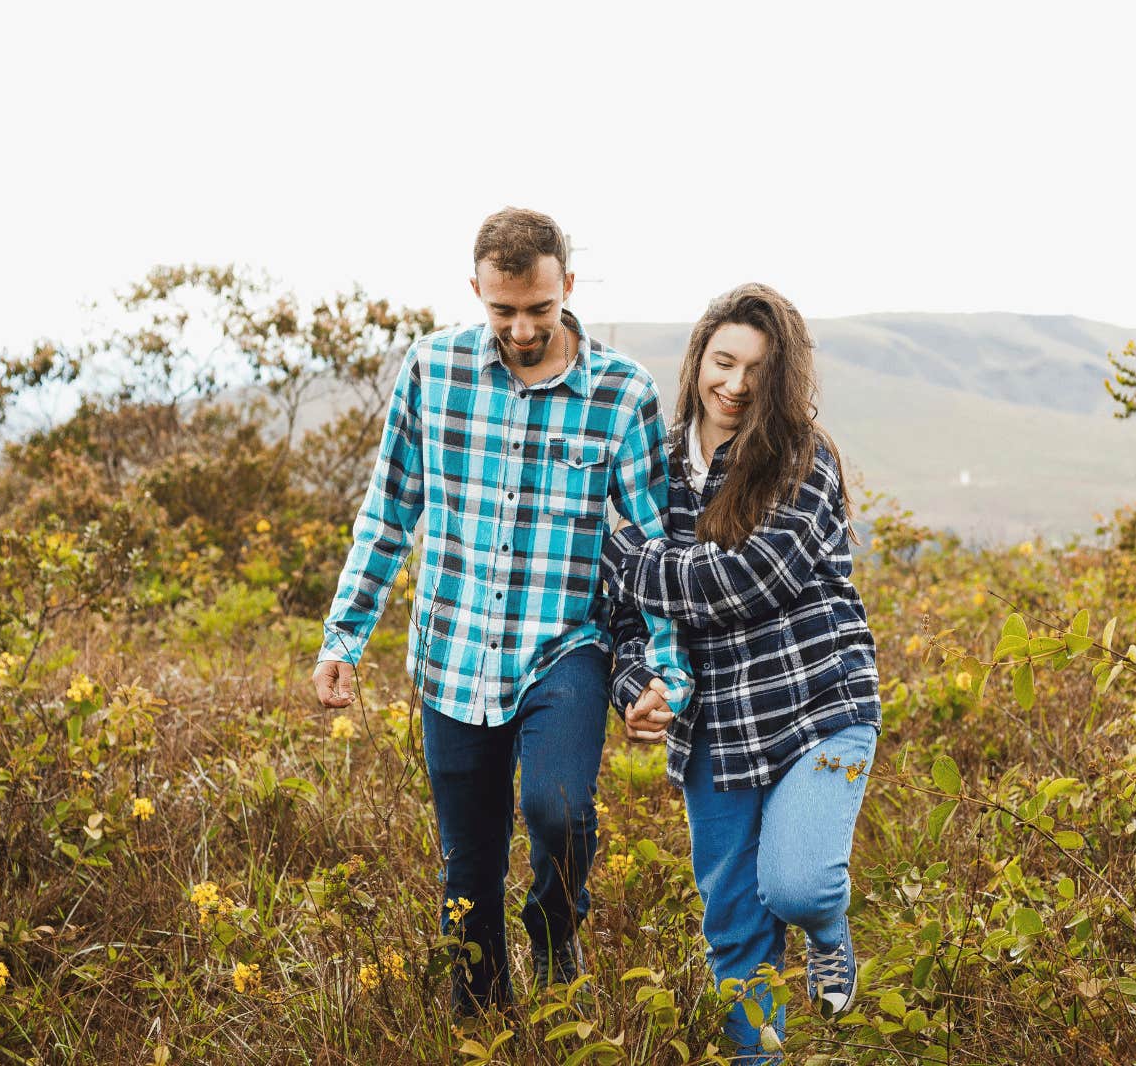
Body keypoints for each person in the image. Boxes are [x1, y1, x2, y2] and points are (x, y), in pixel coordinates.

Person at [312, 207, 690, 1013]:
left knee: (556, 808)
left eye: (540, 310)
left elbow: (657, 549)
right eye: (503, 310)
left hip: (566, 647)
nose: (522, 329)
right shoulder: (431, 370)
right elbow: (390, 511)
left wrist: (669, 672)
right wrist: (345, 634)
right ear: (476, 291)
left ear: (568, 288)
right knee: (467, 866)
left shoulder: (623, 395)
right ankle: (480, 1015)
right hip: (453, 650)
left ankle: (556, 934)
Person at [606, 282, 880, 1061]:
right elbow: (627, 619)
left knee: (797, 887)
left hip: (818, 706)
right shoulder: (650, 463)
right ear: (698, 358)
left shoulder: (803, 458)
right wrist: (636, 688)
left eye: (758, 370)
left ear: (781, 378)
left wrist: (619, 551)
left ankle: (827, 929)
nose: (736, 384)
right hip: (714, 733)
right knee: (733, 928)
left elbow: (742, 583)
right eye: (723, 361)